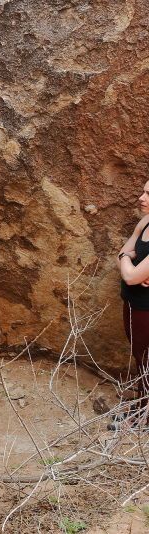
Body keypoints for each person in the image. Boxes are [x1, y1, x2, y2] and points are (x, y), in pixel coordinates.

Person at [111, 179, 149, 430]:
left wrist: (129, 263)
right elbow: (121, 254)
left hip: (147, 308)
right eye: (144, 191)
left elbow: (131, 275)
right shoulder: (145, 222)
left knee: (147, 359)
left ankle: (144, 416)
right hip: (133, 302)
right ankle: (143, 405)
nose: (141, 197)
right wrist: (127, 257)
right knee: (141, 357)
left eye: (148, 193)